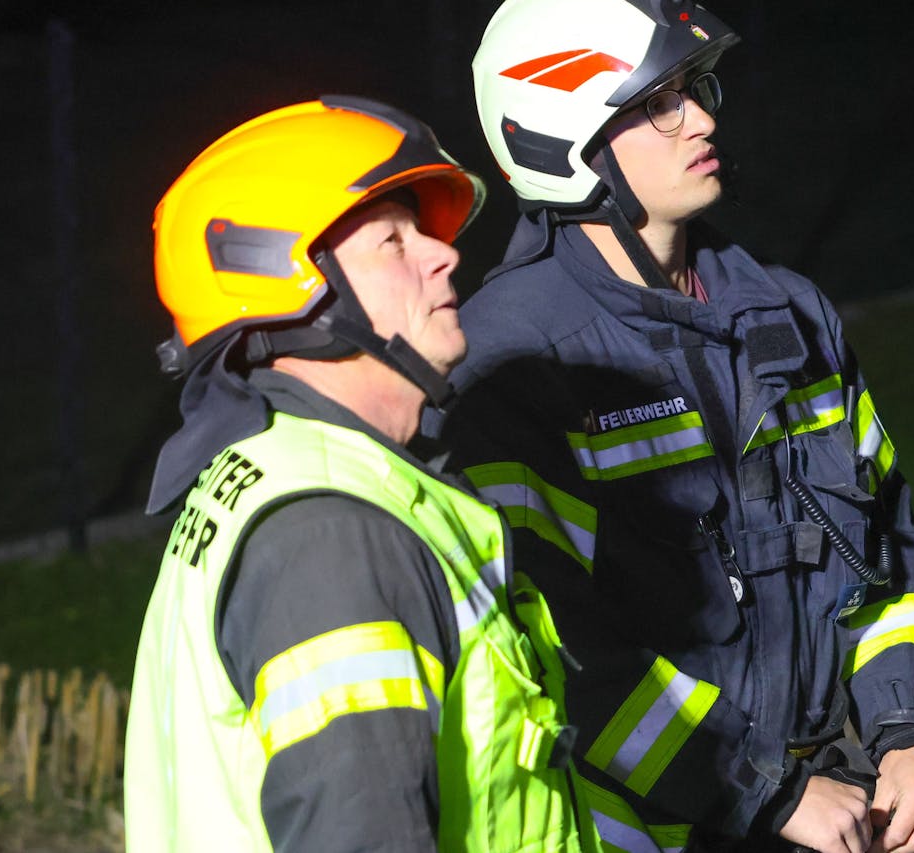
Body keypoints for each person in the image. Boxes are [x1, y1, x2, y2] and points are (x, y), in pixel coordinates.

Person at [434, 0, 914, 853]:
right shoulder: (513, 362)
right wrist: (761, 790)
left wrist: (913, 733)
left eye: (697, 91)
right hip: (631, 827)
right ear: (563, 139)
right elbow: (553, 650)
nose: (704, 121)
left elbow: (887, 567)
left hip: (815, 808)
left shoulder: (791, 317)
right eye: (659, 104)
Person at [124, 96, 592, 853]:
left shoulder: (305, 476)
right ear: (293, 288)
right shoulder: (331, 535)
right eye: (392, 242)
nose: (444, 253)